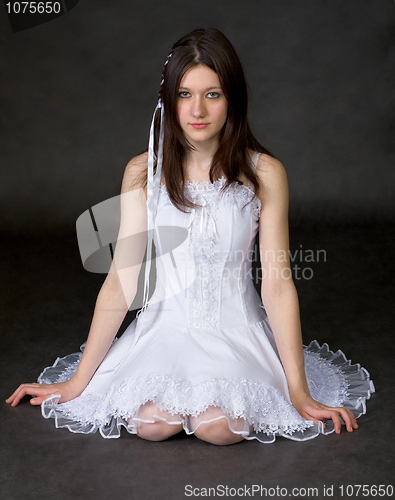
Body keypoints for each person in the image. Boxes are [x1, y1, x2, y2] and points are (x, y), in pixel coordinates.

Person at [5, 28, 374, 445]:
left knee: (218, 427)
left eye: (212, 94)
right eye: (185, 94)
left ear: (232, 98)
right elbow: (121, 283)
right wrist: (76, 383)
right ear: (168, 100)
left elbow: (277, 284)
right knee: (152, 424)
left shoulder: (264, 174)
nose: (197, 109)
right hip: (165, 330)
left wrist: (298, 391)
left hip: (235, 333)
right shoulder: (143, 173)